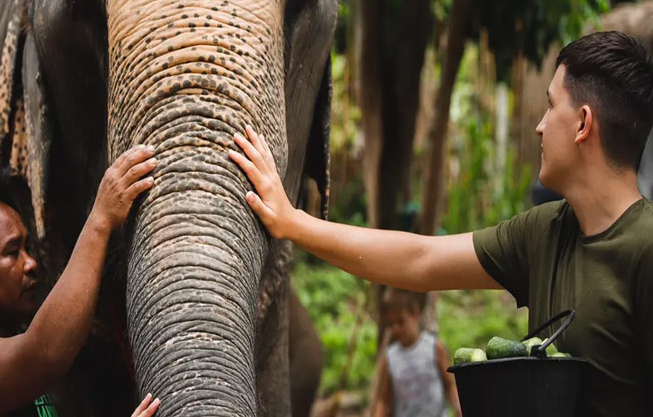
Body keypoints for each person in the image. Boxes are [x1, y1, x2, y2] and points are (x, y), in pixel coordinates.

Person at [229, 31, 653, 416]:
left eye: (549, 105)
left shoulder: (644, 248)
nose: (539, 126)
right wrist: (291, 221)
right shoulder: (545, 233)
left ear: (582, 123)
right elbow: (420, 260)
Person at [0, 149, 161, 417]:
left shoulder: (8, 342)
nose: (30, 263)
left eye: (27, 248)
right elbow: (43, 354)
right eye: (11, 252)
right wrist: (100, 220)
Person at [374, 288, 461, 417]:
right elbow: (384, 400)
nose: (395, 328)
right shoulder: (390, 358)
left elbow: (449, 384)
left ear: (415, 314)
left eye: (401, 321)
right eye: (391, 324)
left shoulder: (434, 347)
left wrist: (458, 408)